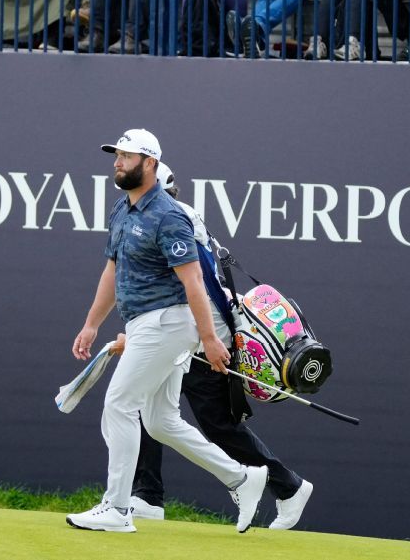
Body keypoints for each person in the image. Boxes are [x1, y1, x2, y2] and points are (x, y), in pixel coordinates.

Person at [65, 128, 268, 535]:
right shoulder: (122, 211)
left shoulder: (169, 215)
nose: (117, 162)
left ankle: (118, 508)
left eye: (127, 156)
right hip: (144, 323)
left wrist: (210, 339)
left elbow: (194, 282)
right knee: (160, 421)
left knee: (119, 405)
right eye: (116, 155)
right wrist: (91, 323)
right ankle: (243, 479)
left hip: (168, 324)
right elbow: (113, 270)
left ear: (150, 164)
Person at [123, 161, 314, 531]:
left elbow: (187, 291)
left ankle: (288, 487)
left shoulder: (168, 222)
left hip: (203, 337)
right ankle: (147, 495)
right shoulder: (176, 217)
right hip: (194, 333)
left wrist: (201, 339)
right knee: (147, 401)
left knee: (218, 426)